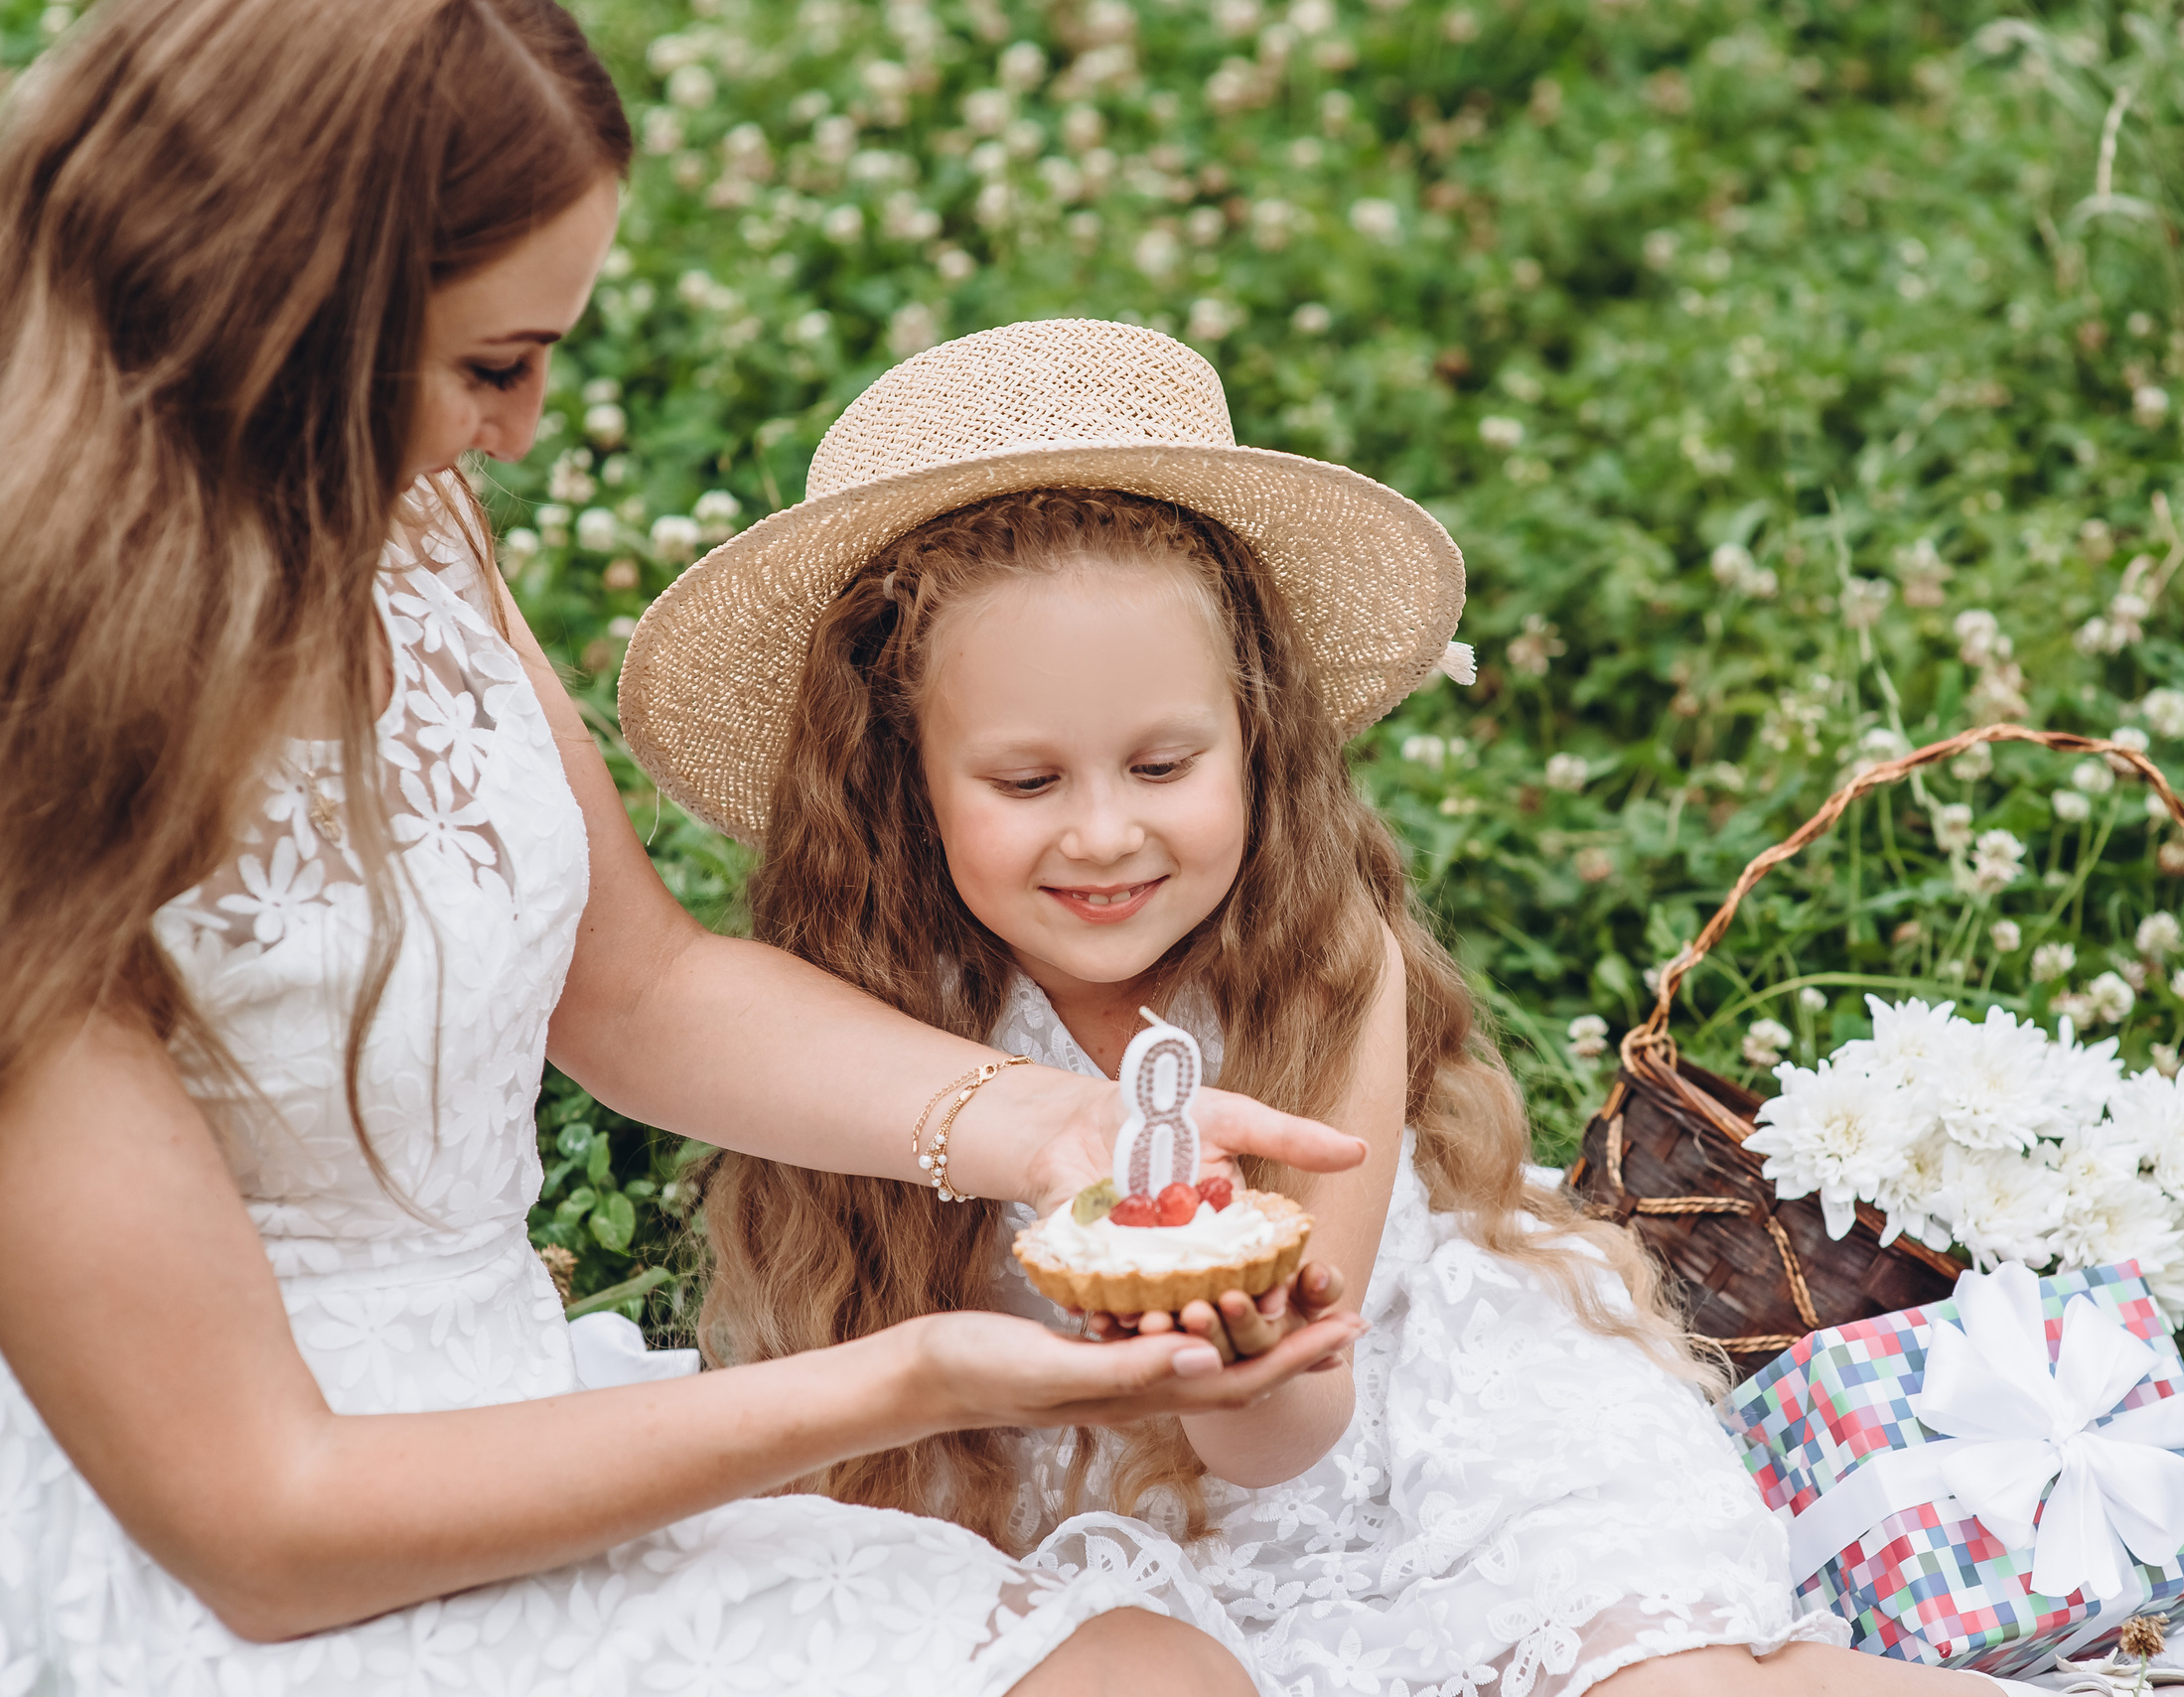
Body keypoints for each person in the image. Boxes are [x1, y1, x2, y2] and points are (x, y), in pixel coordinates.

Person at [0, 6, 1370, 1693]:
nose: (522, 427)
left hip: (511, 1396)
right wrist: (916, 1377)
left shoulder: (394, 519)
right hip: (245, 1549)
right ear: (276, 304)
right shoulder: (32, 727)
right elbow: (266, 1526)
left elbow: (636, 989)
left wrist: (1061, 1129)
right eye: (494, 361)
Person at [620, 318, 2007, 1697]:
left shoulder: (1321, 956)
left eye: (1164, 762)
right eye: (1027, 783)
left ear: (1255, 733)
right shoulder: (866, 1010)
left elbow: (1297, 1441)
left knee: (1663, 1683)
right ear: (901, 778)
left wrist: (1249, 1353)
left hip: (1398, 1438)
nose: (1104, 834)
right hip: (1046, 1497)